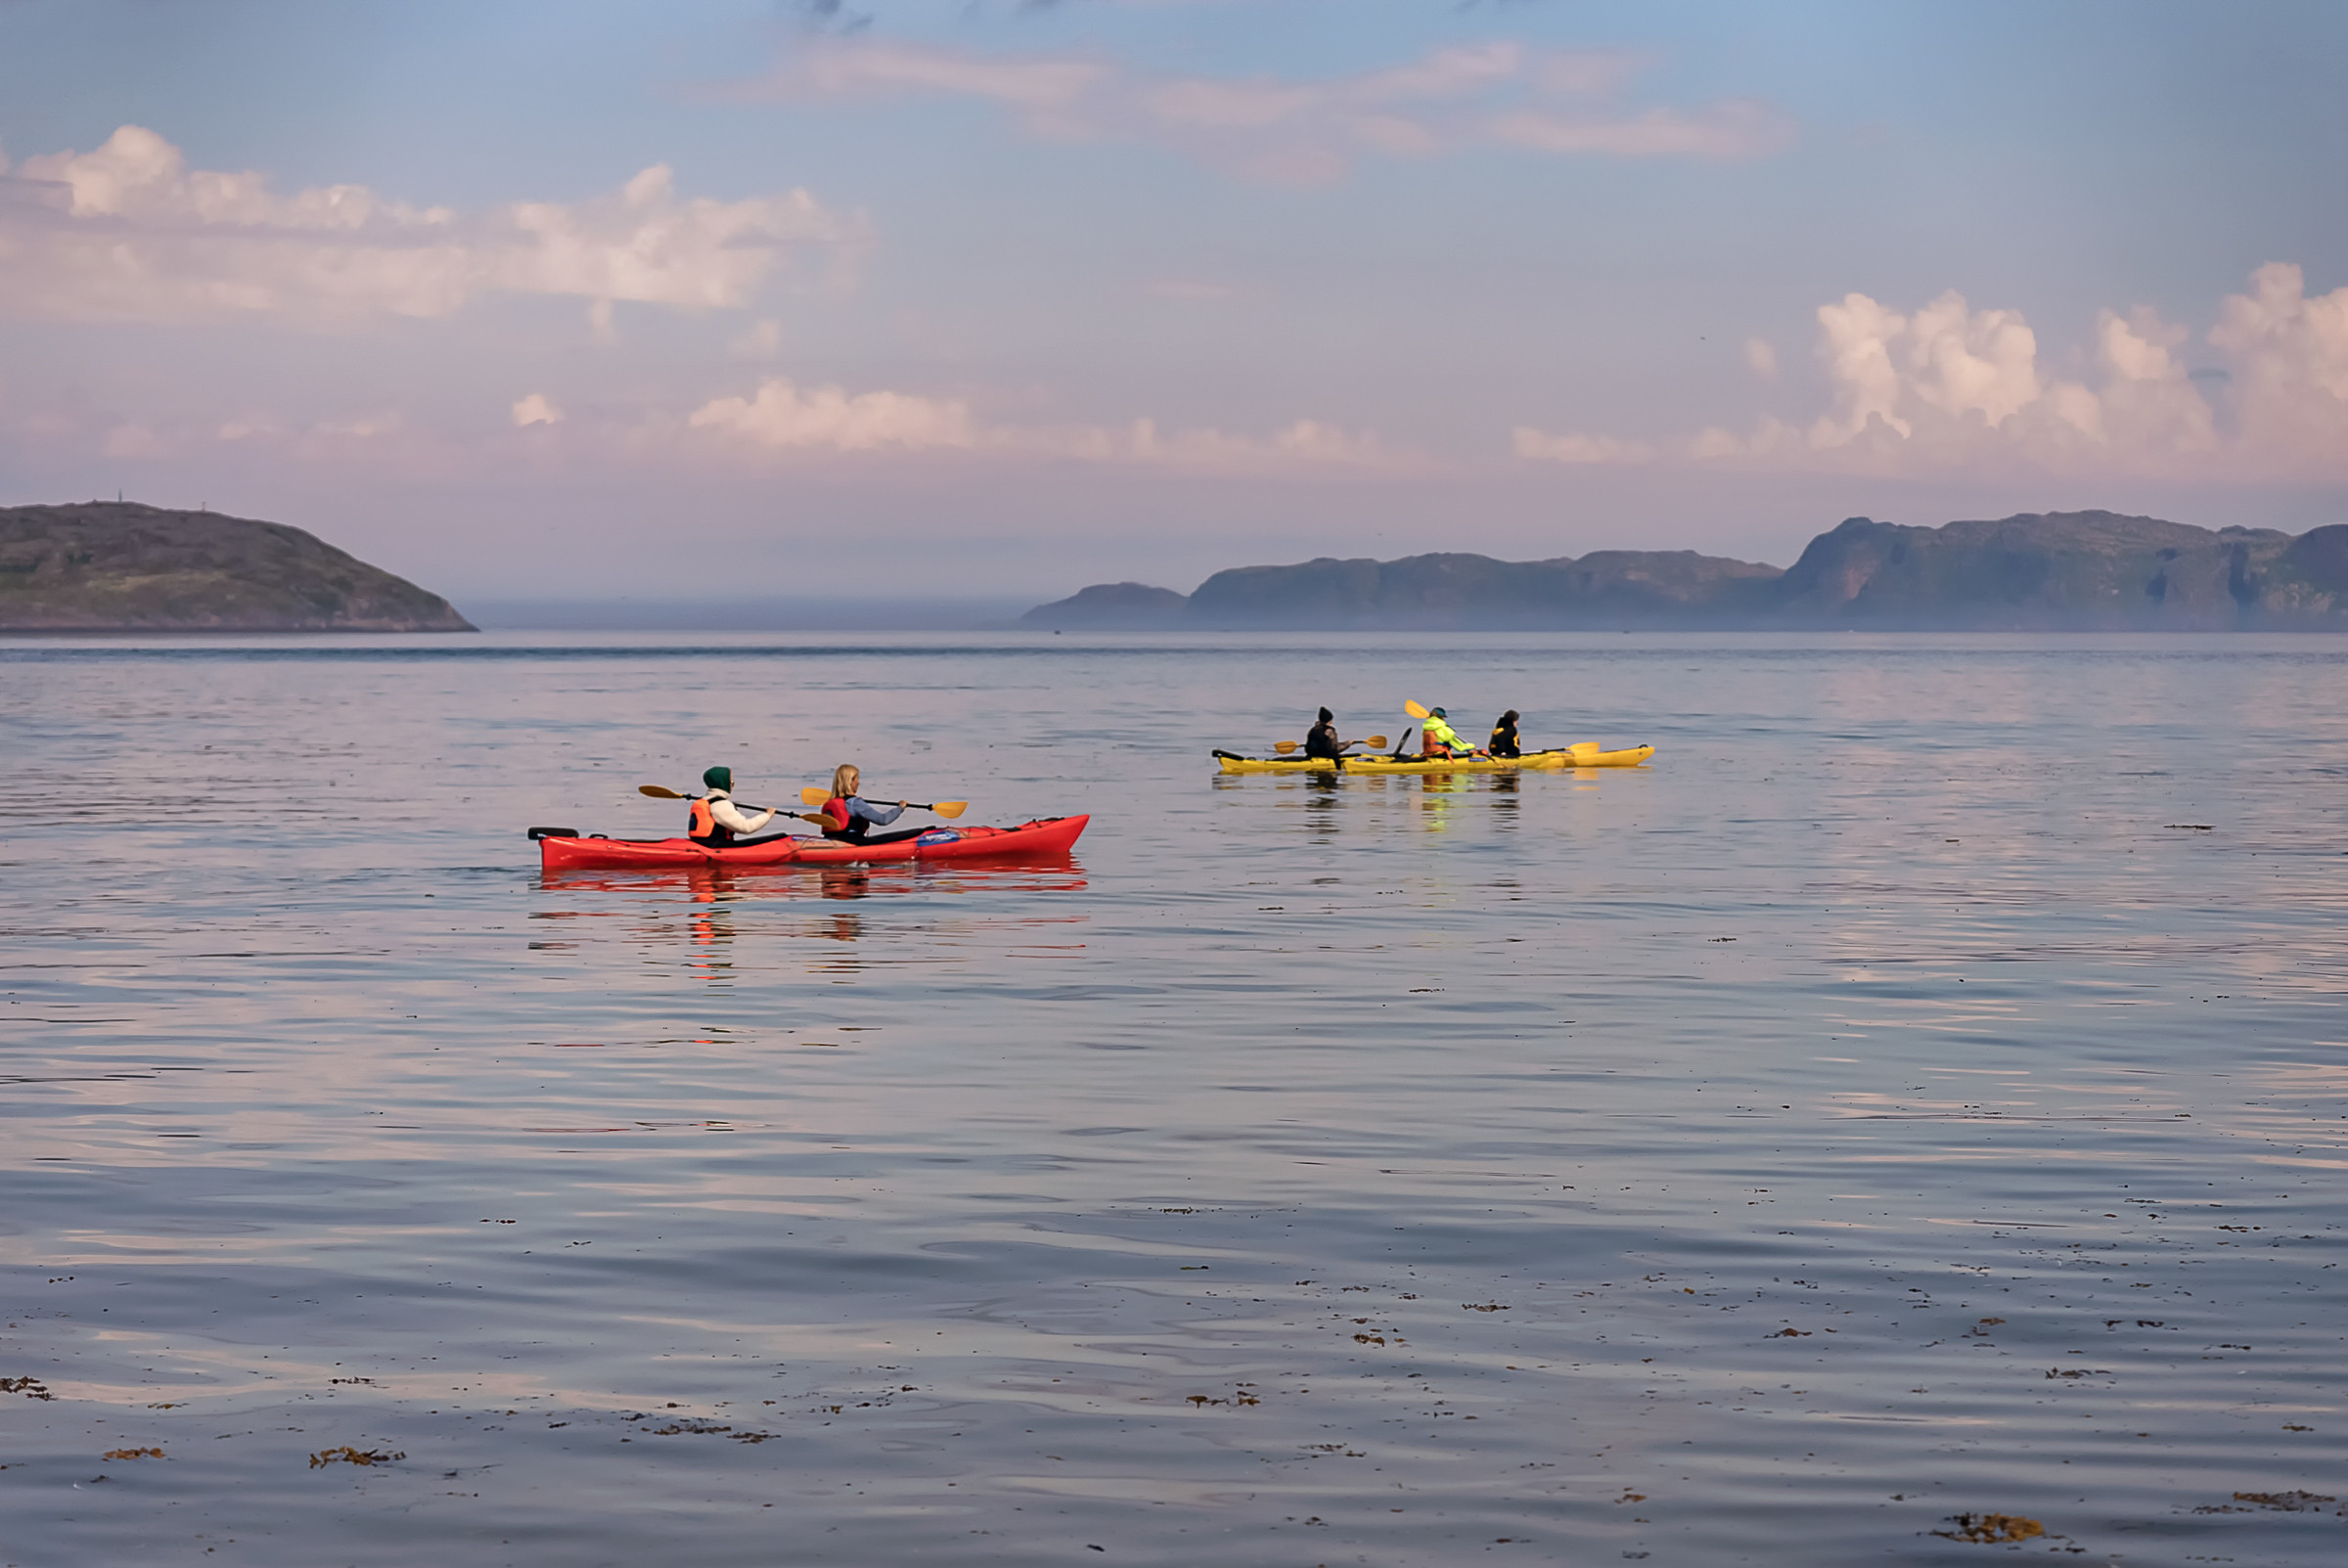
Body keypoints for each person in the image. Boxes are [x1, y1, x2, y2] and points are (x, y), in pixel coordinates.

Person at [818, 763, 928, 846]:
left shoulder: (832, 802)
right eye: (857, 779)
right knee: (913, 833)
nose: (858, 782)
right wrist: (900, 808)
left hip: (834, 841)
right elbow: (883, 820)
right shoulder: (855, 803)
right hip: (853, 843)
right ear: (850, 782)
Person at [687, 766, 786, 846]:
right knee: (782, 837)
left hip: (704, 844)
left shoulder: (705, 800)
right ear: (723, 783)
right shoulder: (721, 805)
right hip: (717, 846)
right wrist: (767, 815)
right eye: (731, 782)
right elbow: (746, 827)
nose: (732, 785)